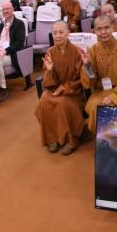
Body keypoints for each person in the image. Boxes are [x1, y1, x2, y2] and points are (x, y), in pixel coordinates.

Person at [35, 21, 86, 155]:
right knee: (44, 100)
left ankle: (71, 140)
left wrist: (64, 88)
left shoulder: (77, 52)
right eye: (55, 33)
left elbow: (81, 79)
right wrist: (50, 70)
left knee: (62, 103)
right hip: (54, 89)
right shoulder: (50, 51)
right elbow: (47, 82)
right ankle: (52, 138)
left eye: (61, 32)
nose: (58, 36)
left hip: (73, 92)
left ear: (68, 33)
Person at [79, 15, 117, 133]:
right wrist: (87, 65)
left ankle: (112, 139)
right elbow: (90, 82)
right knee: (95, 106)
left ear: (112, 27)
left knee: (105, 108)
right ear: (94, 31)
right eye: (99, 29)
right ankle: (103, 140)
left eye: (106, 28)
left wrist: (113, 97)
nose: (103, 32)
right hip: (100, 92)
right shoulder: (92, 50)